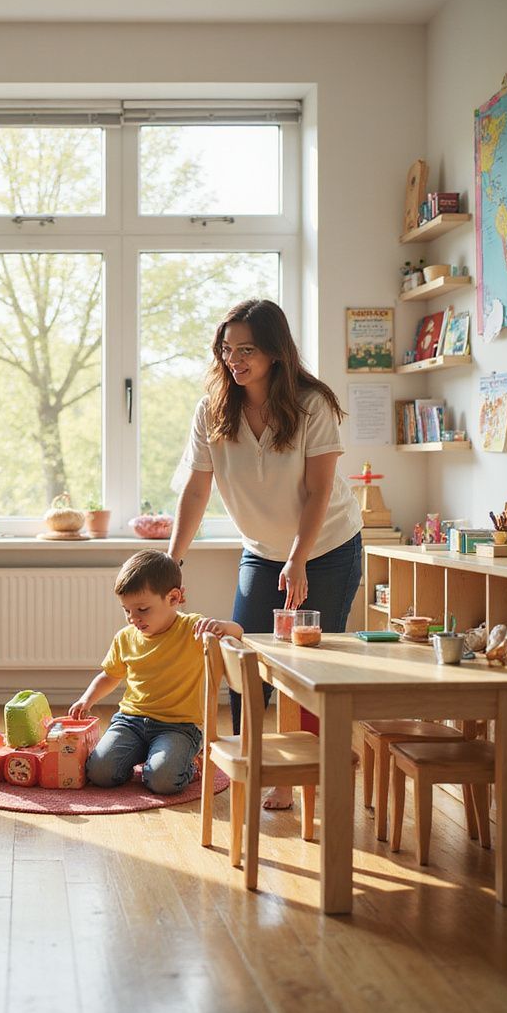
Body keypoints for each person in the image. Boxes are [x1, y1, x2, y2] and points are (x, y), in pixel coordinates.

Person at [167, 298, 363, 809]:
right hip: (262, 550)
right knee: (245, 656)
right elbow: (195, 491)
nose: (235, 359)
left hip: (328, 546)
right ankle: (254, 756)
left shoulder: (310, 404)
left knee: (310, 661)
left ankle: (300, 775)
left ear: (275, 352)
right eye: (227, 349)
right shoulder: (212, 408)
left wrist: (298, 559)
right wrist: (172, 561)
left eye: (247, 349)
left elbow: (319, 491)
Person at [68, 550, 243, 796]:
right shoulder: (125, 637)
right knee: (99, 772)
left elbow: (238, 633)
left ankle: (188, 763)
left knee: (163, 781)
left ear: (173, 598)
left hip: (178, 726)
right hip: (130, 721)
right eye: (127, 610)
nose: (133, 618)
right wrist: (87, 699)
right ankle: (147, 757)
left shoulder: (193, 628)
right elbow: (109, 676)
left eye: (142, 609)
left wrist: (222, 627)